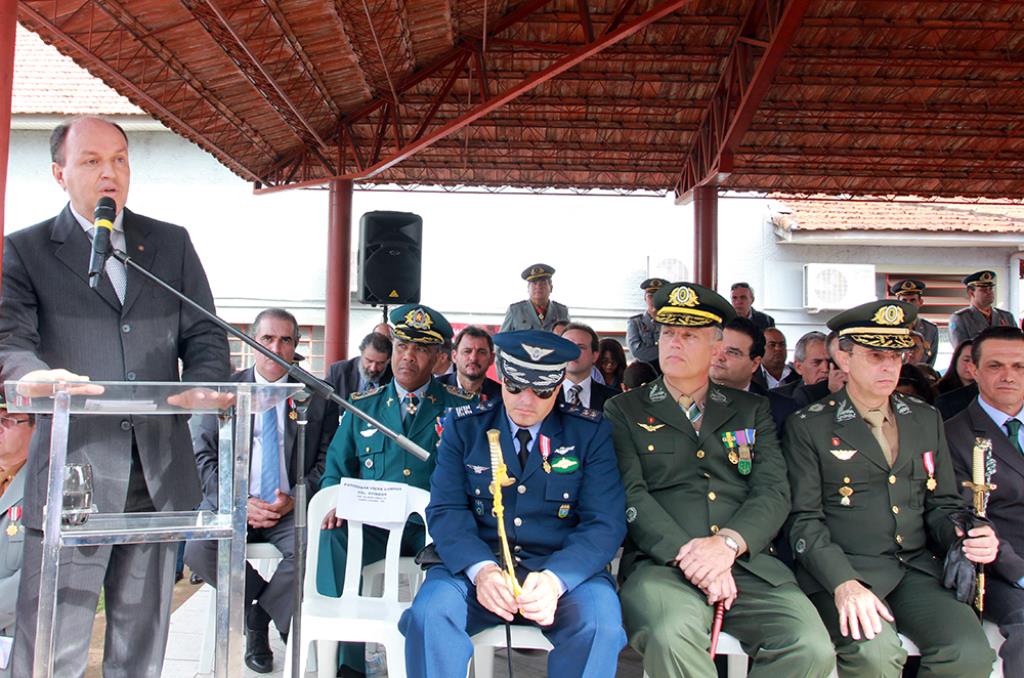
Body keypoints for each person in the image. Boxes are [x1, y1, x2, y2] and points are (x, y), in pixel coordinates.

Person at [0, 116, 230, 678]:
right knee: (55, 646)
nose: (110, 172)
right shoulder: (25, 251)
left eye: (121, 159)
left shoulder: (169, 244)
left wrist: (203, 380)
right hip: (75, 473)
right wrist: (37, 376)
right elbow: (10, 340)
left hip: (159, 470)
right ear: (59, 173)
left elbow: (204, 333)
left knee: (140, 644)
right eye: (92, 160)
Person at [607, 282, 834, 678]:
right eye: (668, 333)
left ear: (715, 348)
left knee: (809, 646)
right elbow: (632, 494)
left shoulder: (751, 409)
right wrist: (697, 560)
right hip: (664, 567)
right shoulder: (625, 409)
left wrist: (727, 546)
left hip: (747, 564)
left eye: (689, 336)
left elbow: (773, 491)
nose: (674, 343)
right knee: (671, 635)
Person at [785, 299, 998, 677]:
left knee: (969, 652)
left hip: (913, 569)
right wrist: (843, 584)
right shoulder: (810, 425)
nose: (889, 365)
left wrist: (966, 534)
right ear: (845, 359)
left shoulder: (923, 418)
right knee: (876, 656)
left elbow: (943, 502)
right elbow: (805, 520)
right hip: (846, 570)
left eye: (896, 355)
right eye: (875, 355)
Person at [399, 330, 627, 678]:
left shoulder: (589, 434)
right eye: (516, 386)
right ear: (501, 377)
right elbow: (446, 510)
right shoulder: (464, 428)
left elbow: (604, 522)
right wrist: (483, 570)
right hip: (476, 568)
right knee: (429, 616)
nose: (526, 400)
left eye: (542, 390)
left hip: (560, 572)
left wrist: (555, 580)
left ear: (560, 382)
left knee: (600, 627)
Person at [317, 304, 474, 677]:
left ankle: (441, 662)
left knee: (466, 556)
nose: (407, 356)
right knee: (333, 537)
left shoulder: (462, 409)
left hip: (433, 532)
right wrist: (337, 501)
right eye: (402, 346)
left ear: (438, 358)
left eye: (420, 349)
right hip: (374, 526)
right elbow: (335, 472)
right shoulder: (364, 407)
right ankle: (348, 663)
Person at [185, 308, 338, 673]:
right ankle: (260, 612)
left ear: (296, 346)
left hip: (289, 507)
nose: (276, 347)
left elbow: (326, 460)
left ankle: (258, 620)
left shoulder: (315, 395)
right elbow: (201, 455)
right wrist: (239, 502)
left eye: (285, 340)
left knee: (313, 550)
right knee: (198, 548)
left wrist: (295, 501)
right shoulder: (226, 391)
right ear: (252, 343)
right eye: (267, 338)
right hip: (235, 503)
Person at [945, 326, 1024, 677]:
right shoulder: (952, 434)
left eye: (1020, 366)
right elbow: (965, 516)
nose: (1009, 375)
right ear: (973, 370)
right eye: (996, 366)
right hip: (999, 570)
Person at [712, 317, 800, 437]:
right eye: (715, 348)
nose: (719, 357)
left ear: (754, 364)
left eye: (732, 352)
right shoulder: (687, 400)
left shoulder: (781, 410)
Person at [0, 396, 33, 678]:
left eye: (6, 420)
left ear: (35, 427)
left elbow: (36, 573)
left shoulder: (45, 487)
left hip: (18, 638)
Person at [558, 323, 620, 411]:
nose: (573, 351)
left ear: (595, 356)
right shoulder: (541, 395)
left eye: (580, 347)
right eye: (567, 346)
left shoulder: (614, 399)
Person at [949, 270, 1016, 348]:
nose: (989, 292)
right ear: (971, 292)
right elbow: (962, 350)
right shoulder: (960, 318)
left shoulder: (1007, 317)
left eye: (990, 288)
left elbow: (1016, 344)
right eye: (984, 289)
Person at [324, 331, 393, 402]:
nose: (373, 368)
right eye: (369, 361)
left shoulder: (394, 377)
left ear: (388, 360)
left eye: (380, 363)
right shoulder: (338, 372)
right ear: (361, 353)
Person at [500, 264, 570, 332]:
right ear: (528, 288)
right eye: (534, 283)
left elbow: (570, 338)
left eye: (543, 283)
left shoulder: (562, 311)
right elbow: (501, 341)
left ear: (551, 288)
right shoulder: (515, 311)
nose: (538, 287)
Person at [438, 326, 501, 401]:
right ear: (454, 356)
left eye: (481, 352)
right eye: (467, 351)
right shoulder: (434, 391)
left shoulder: (502, 397)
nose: (473, 358)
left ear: (491, 358)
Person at [890, 279, 939, 366]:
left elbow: (930, 362)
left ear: (920, 302)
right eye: (904, 301)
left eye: (913, 300)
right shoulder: (889, 328)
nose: (908, 304)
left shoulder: (931, 330)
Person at [626, 278, 668, 371]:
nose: (654, 300)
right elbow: (637, 352)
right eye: (650, 296)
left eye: (658, 296)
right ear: (645, 298)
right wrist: (667, 349)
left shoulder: (672, 323)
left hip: (668, 371)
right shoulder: (635, 322)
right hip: (643, 372)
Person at [771, 331, 829, 399]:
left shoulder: (842, 391)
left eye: (830, 362)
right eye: (817, 362)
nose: (825, 369)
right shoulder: (778, 398)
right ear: (799, 367)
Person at [935, 340, 979, 421]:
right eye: (966, 360)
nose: (971, 365)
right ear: (956, 360)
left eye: (976, 361)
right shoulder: (937, 392)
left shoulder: (988, 395)